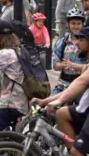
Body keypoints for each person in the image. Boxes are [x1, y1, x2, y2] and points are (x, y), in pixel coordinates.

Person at [32, 26, 89, 155]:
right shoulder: (86, 66)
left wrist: (57, 102)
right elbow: (72, 88)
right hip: (85, 110)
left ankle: (77, 151)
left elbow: (81, 82)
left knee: (77, 151)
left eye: (82, 39)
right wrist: (45, 101)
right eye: (77, 39)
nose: (76, 43)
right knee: (62, 114)